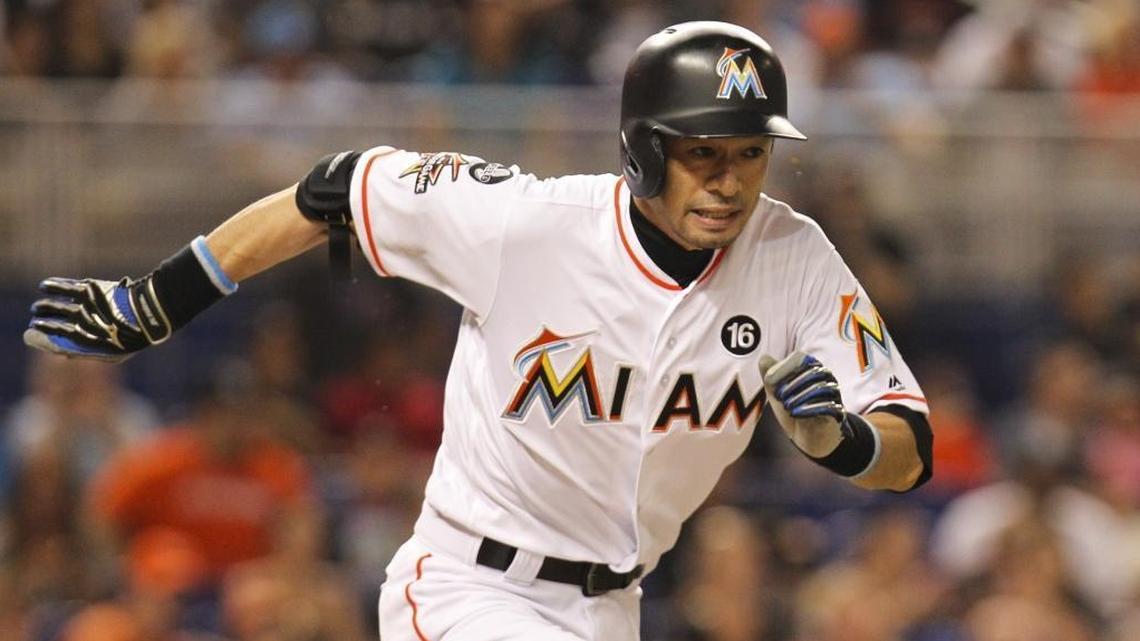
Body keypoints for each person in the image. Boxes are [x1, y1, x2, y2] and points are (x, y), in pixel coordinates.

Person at [23, 21, 933, 641]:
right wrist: (157, 300)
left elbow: (911, 447)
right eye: (704, 152)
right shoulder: (526, 224)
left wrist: (842, 442)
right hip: (471, 589)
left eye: (750, 152)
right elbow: (333, 189)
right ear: (644, 147)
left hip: (615, 607)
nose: (731, 180)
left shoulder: (794, 256)